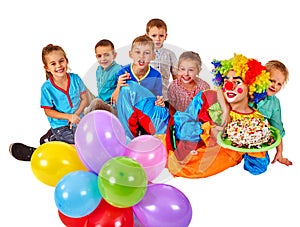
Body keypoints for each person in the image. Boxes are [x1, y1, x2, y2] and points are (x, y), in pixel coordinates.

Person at [165, 53, 275, 178]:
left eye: (237, 82)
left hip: (198, 170)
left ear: (251, 86)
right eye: (226, 81)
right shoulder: (207, 97)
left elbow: (257, 168)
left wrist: (256, 144)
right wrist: (204, 130)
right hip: (172, 153)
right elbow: (178, 126)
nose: (229, 86)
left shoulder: (255, 122)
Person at [9, 44, 89, 161]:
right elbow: (48, 111)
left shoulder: (76, 79)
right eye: (53, 63)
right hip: (61, 126)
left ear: (66, 61)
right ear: (47, 68)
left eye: (61, 61)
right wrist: (68, 116)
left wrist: (76, 114)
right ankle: (42, 150)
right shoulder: (47, 88)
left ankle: (52, 138)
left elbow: (85, 99)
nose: (59, 66)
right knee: (76, 152)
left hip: (79, 121)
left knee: (91, 144)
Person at [110, 34, 167, 140]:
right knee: (127, 88)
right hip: (129, 114)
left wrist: (160, 102)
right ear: (131, 54)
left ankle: (160, 137)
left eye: (147, 53)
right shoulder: (123, 72)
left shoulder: (156, 75)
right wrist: (118, 87)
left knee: (161, 112)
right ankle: (128, 137)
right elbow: (116, 99)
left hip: (145, 113)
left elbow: (157, 99)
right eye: (137, 52)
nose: (141, 57)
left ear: (153, 56)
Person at [249, 60, 292, 166]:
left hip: (254, 139)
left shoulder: (275, 104)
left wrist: (280, 153)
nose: (274, 86)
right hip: (233, 134)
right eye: (271, 80)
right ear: (262, 76)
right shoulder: (247, 90)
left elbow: (277, 129)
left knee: (260, 167)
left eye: (279, 84)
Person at [84, 39, 121, 116]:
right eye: (99, 56)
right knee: (81, 89)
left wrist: (118, 89)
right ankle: (89, 111)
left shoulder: (119, 69)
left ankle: (88, 113)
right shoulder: (99, 70)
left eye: (107, 55)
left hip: (111, 106)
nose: (103, 59)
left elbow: (125, 86)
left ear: (114, 55)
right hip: (101, 100)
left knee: (96, 102)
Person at [146, 18, 178, 103]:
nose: (157, 39)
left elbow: (176, 77)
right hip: (146, 96)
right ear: (147, 35)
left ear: (165, 36)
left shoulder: (170, 54)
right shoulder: (143, 53)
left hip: (164, 96)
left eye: (161, 36)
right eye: (154, 36)